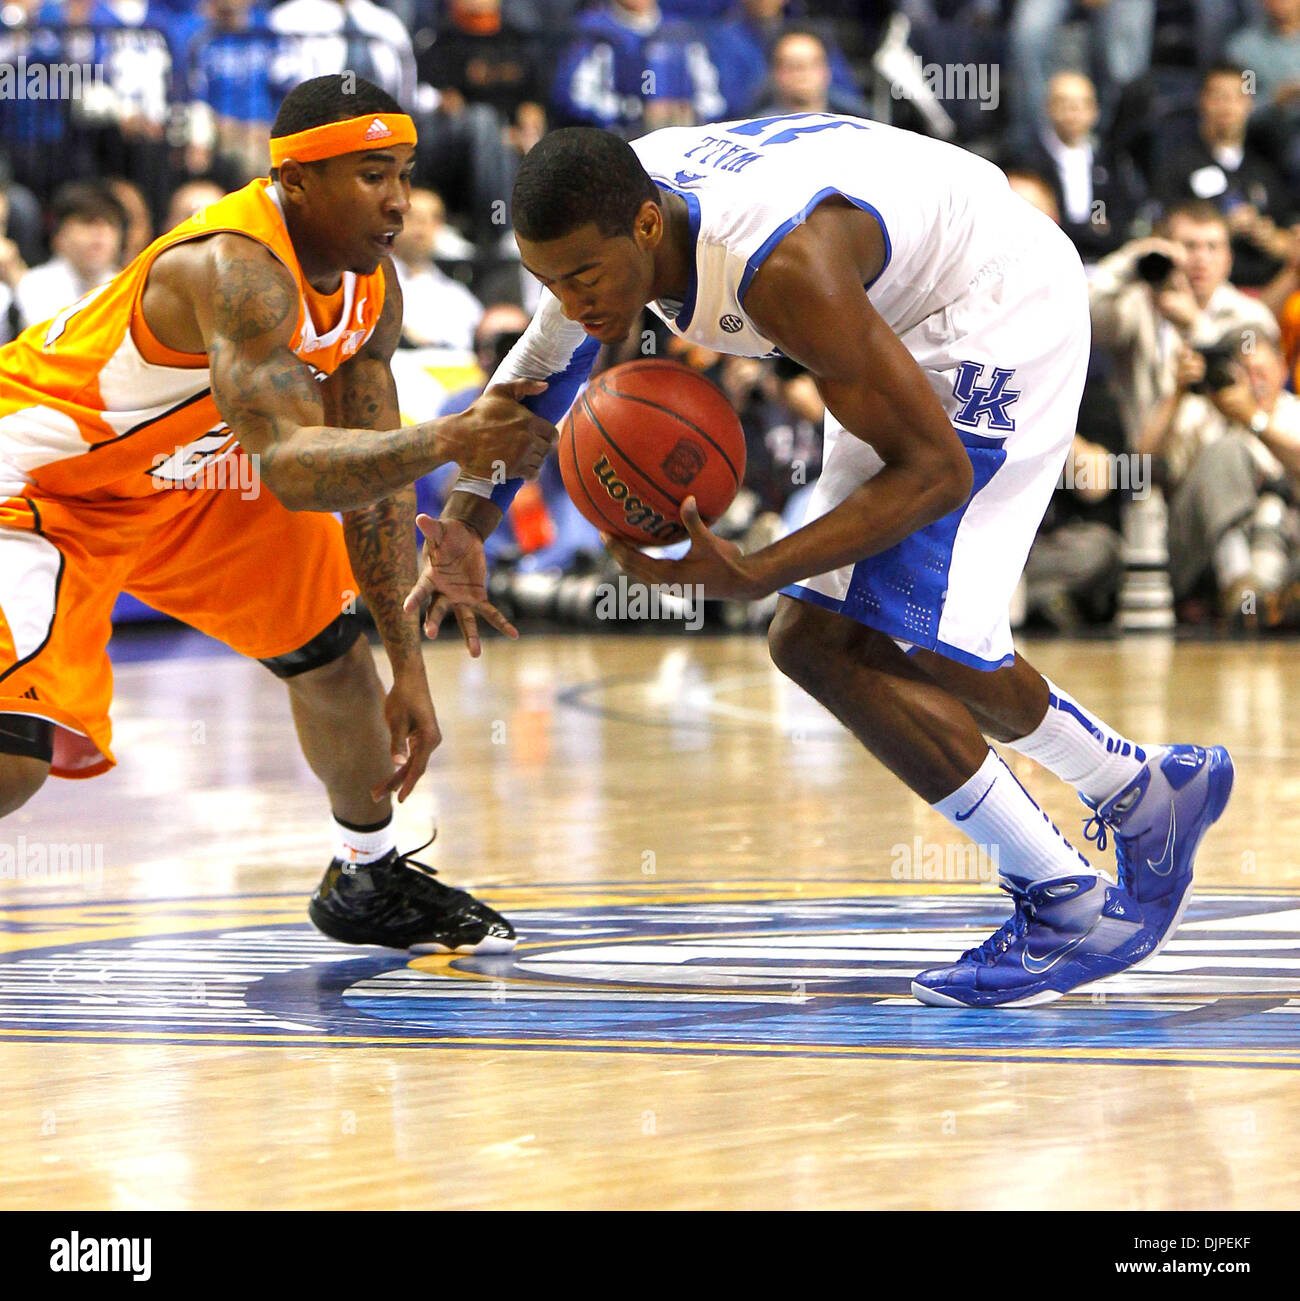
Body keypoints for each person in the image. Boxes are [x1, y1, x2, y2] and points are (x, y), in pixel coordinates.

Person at [407, 117, 1236, 1008]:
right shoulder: (603, 209)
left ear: (647, 227)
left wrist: (755, 570)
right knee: (842, 641)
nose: (571, 302)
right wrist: (463, 522)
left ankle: (1068, 897)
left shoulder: (780, 267)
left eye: (580, 279)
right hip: (890, 312)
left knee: (859, 636)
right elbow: (541, 374)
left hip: (992, 303)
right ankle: (1141, 790)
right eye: (547, 281)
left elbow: (935, 471)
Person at [0, 75, 557, 954]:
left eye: (404, 172)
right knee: (14, 758)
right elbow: (296, 470)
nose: (401, 200)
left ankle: (366, 875)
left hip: (189, 480)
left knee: (334, 653)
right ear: (296, 182)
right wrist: (453, 435)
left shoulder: (371, 290)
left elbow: (368, 488)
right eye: (372, 175)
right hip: (46, 484)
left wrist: (403, 660)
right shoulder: (234, 270)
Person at [14, 181, 126, 331]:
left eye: (110, 224)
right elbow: (47, 343)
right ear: (59, 235)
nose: (100, 234)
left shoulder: (125, 286)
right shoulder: (34, 284)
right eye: (88, 223)